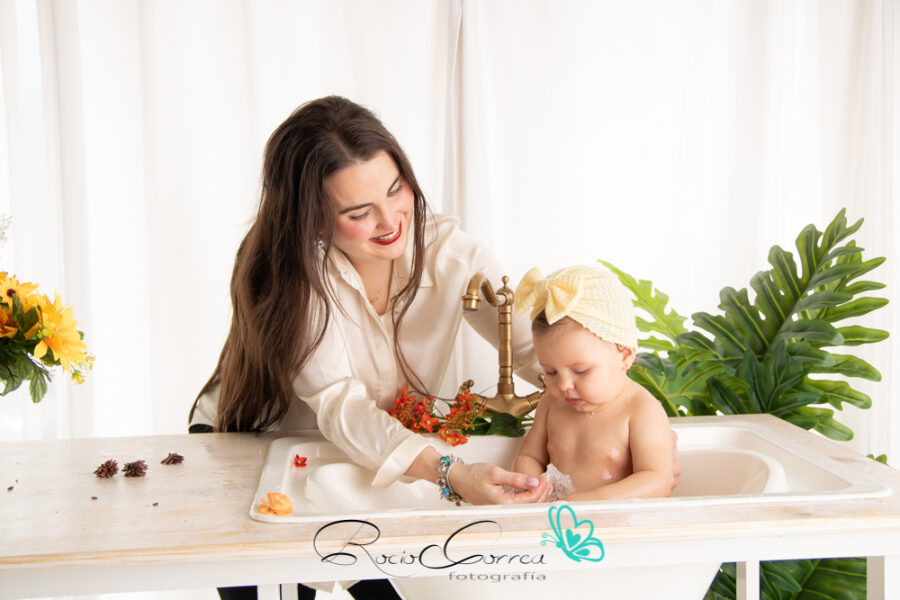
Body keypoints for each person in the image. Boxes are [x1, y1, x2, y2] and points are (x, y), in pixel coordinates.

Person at [188, 96, 545, 600]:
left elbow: (533, 351)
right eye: (359, 212)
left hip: (365, 451)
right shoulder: (292, 277)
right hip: (256, 443)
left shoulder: (451, 254)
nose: (391, 220)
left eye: (395, 189)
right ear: (314, 219)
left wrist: (614, 395)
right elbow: (342, 405)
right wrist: (451, 473)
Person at [511, 265, 675, 502]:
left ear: (624, 356)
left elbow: (657, 480)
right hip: (558, 520)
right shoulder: (551, 404)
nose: (564, 385)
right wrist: (531, 485)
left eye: (581, 371)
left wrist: (587, 503)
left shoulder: (640, 410)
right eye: (551, 371)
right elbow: (530, 457)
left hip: (615, 522)